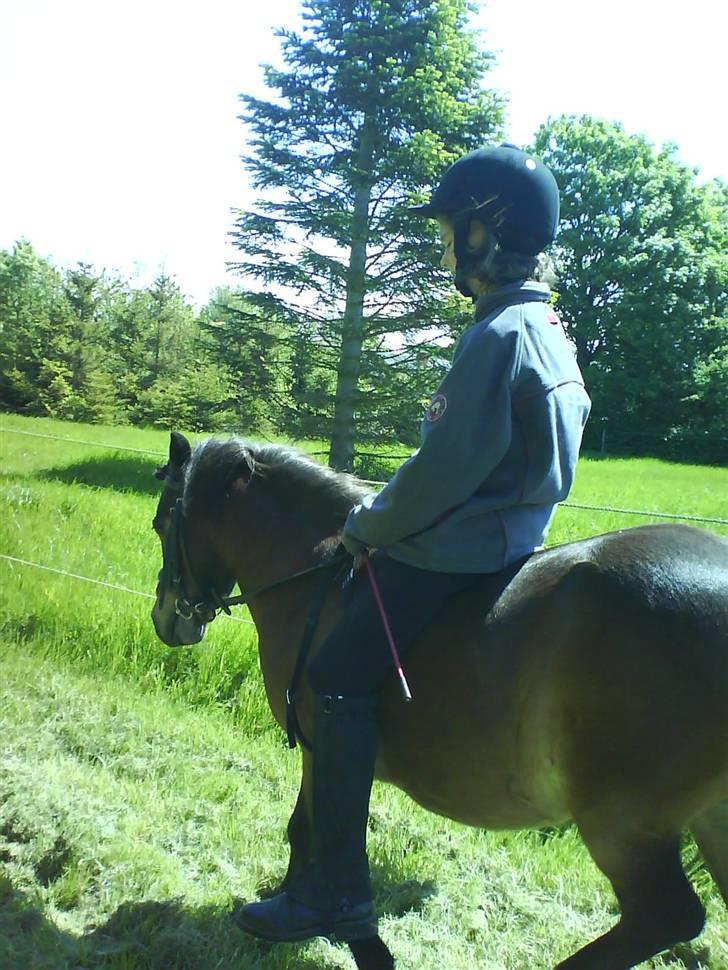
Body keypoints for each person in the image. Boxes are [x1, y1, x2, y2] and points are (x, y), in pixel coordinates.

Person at [237, 143, 592, 944]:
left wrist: (363, 526)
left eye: (450, 230)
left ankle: (334, 892)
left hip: (454, 552)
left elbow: (441, 474)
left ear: (484, 234)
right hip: (516, 543)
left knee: (333, 678)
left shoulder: (497, 335)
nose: (444, 248)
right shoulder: (549, 328)